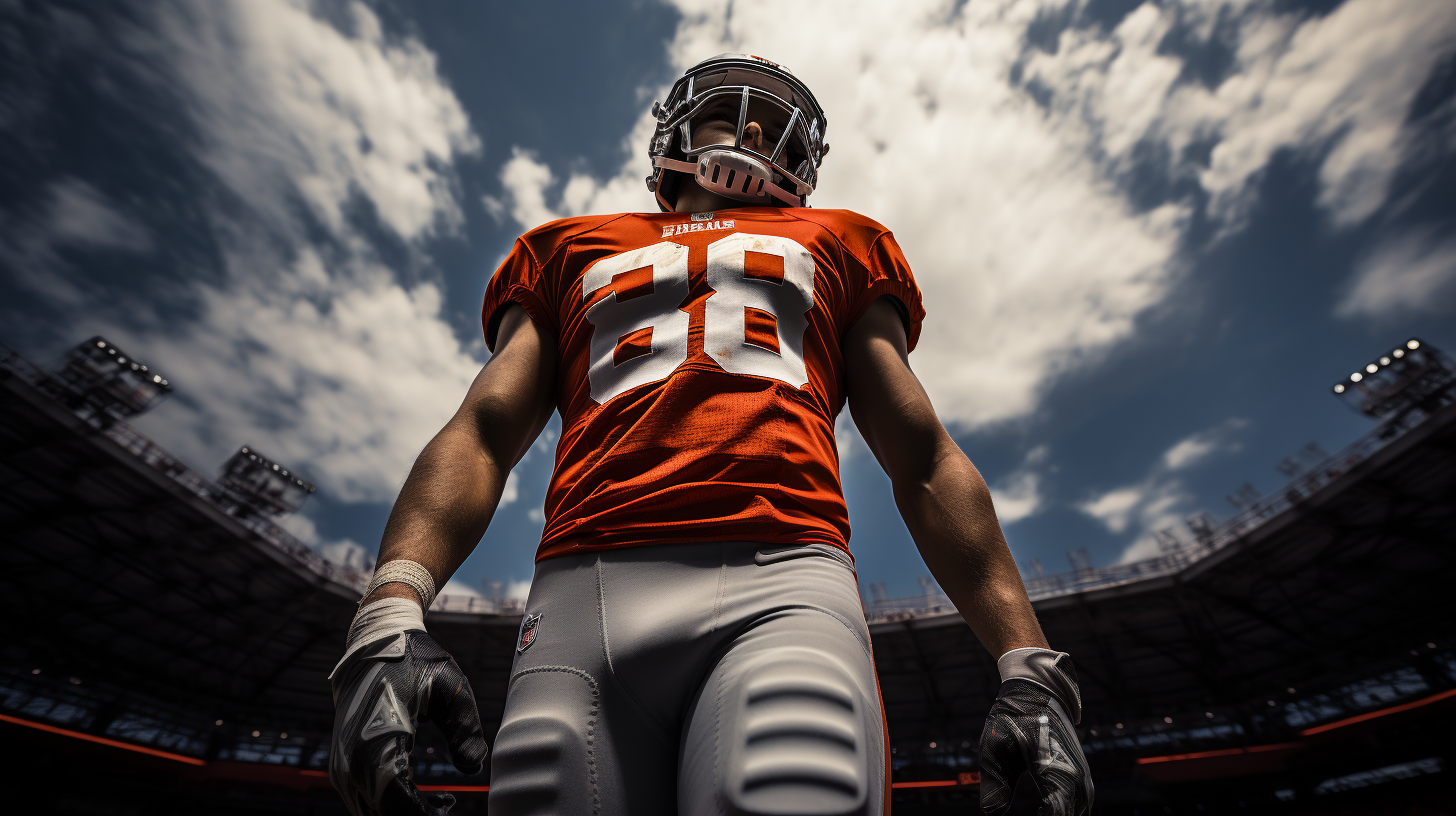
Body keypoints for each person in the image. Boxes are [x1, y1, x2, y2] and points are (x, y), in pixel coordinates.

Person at [328, 54, 1093, 816]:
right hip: (578, 592)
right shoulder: (565, 244)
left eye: (778, 125)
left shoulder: (844, 239)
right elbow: (483, 430)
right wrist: (391, 610)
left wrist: (1028, 665)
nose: (756, 124)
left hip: (784, 576)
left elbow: (923, 456)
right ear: (674, 127)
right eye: (730, 105)